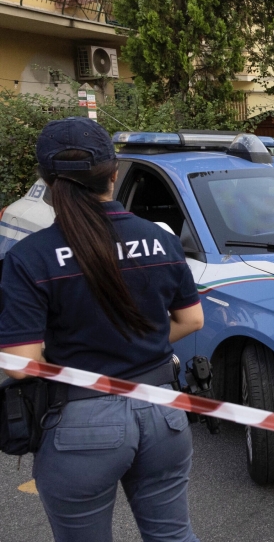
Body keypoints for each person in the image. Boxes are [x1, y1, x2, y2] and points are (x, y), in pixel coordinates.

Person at [0, 118, 204, 542]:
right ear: (114, 174)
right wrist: (134, 345)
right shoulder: (160, 240)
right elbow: (191, 320)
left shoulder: (29, 258)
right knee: (172, 535)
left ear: (47, 182)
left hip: (80, 424)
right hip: (163, 412)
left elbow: (21, 366)